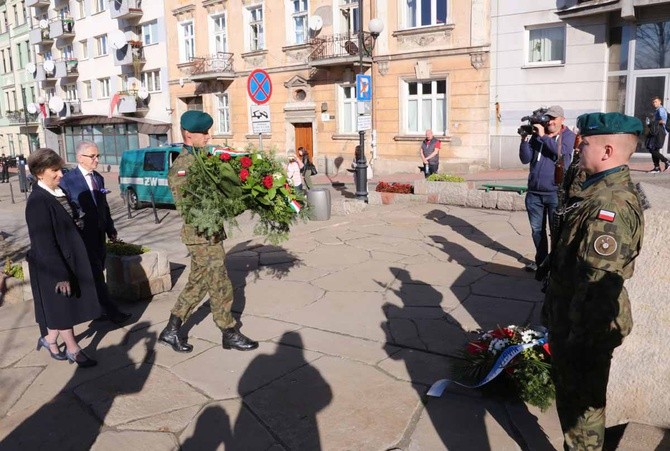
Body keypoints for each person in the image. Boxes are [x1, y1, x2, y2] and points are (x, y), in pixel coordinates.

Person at [542, 112, 644, 450]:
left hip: (584, 329)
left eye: (584, 143)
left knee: (581, 418)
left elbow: (599, 283)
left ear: (607, 151)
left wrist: (578, 339)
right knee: (572, 407)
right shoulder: (594, 188)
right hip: (571, 319)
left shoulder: (609, 206)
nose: (578, 147)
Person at [158, 110, 258, 353]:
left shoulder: (204, 160)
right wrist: (223, 203)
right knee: (219, 281)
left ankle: (171, 330)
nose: (208, 136)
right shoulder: (183, 167)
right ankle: (229, 331)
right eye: (203, 132)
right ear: (189, 134)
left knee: (198, 282)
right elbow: (189, 207)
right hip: (200, 235)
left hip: (211, 233)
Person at [25, 148, 100, 367]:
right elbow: (43, 241)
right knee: (63, 307)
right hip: (53, 265)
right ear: (40, 173)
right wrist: (60, 274)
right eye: (55, 170)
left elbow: (65, 220)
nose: (61, 175)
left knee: (59, 308)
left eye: (60, 169)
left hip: (67, 258)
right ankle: (74, 350)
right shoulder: (38, 201)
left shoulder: (56, 191)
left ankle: (49, 340)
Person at [60, 141, 131, 325]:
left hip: (99, 233)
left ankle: (95, 309)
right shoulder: (68, 180)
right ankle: (111, 311)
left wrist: (110, 228)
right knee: (97, 275)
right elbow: (67, 210)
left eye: (97, 156)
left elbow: (104, 207)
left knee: (98, 270)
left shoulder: (98, 178)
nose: (96, 160)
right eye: (92, 156)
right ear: (79, 158)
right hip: (82, 236)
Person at [519, 105, 576, 272]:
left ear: (562, 119)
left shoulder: (568, 136)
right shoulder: (538, 136)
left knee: (556, 232)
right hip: (534, 193)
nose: (549, 122)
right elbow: (525, 158)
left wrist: (543, 136)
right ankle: (541, 262)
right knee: (537, 231)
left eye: (553, 118)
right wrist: (524, 140)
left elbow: (562, 153)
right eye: (547, 118)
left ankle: (556, 265)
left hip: (555, 193)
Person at [646, 96, 669, 173]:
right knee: (654, 149)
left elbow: (663, 121)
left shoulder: (661, 110)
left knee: (651, 148)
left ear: (660, 102)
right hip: (657, 131)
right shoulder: (657, 111)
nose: (654, 103)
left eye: (656, 102)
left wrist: (652, 123)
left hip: (659, 132)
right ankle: (657, 168)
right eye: (653, 102)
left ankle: (666, 161)